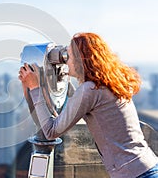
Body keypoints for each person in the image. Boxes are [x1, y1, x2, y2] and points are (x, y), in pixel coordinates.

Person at [18, 32, 158, 178]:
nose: (65, 61)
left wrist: (35, 88)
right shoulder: (105, 84)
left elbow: (51, 131)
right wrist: (56, 78)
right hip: (147, 166)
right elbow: (74, 105)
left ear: (81, 60)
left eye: (69, 56)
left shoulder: (90, 90)